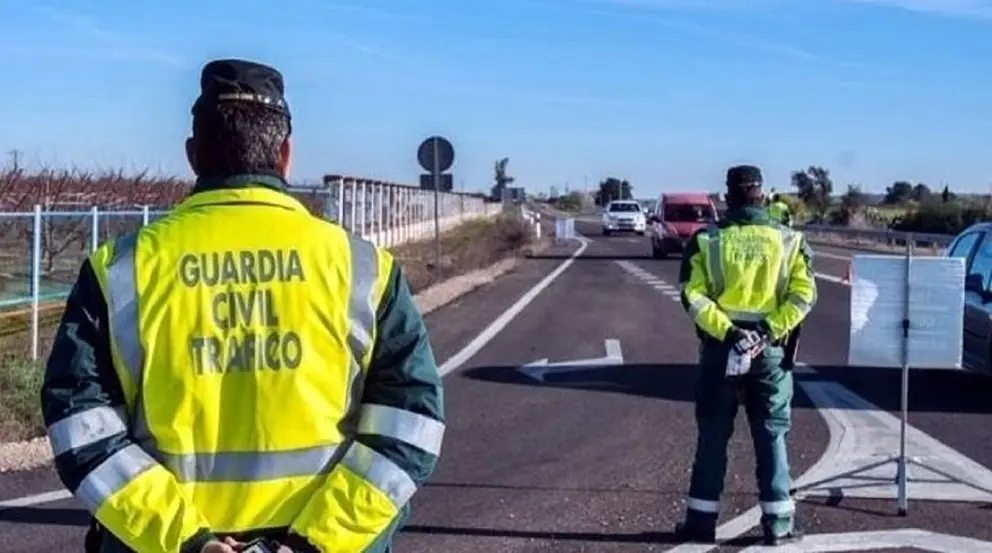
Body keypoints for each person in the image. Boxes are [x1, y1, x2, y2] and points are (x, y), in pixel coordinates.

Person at [40, 58, 445, 553]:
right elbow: (411, 426)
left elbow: (80, 425)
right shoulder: (363, 269)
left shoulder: (120, 269)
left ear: (193, 155)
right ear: (285, 153)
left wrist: (189, 541)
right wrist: (316, 542)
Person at [673, 165, 816, 546]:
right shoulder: (788, 240)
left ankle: (701, 524)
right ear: (763, 195)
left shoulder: (709, 240)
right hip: (770, 352)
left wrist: (731, 332)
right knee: (771, 434)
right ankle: (779, 526)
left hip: (722, 350)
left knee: (713, 435)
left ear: (727, 197)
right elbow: (803, 296)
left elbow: (693, 295)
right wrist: (767, 331)